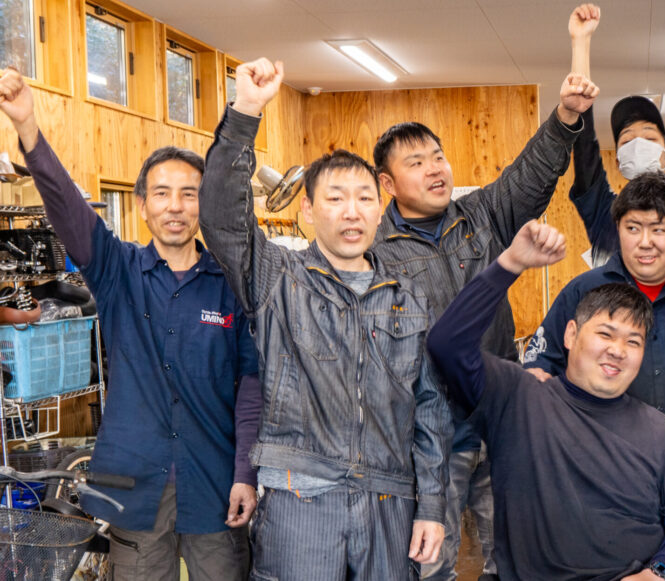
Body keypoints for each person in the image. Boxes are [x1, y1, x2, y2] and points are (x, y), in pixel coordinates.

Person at [197, 59, 452, 580]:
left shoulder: (408, 296)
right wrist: (245, 113)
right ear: (309, 212)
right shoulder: (277, 278)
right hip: (301, 497)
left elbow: (430, 408)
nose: (351, 211)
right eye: (335, 199)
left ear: (380, 209)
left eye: (363, 199)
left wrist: (432, 504)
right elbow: (222, 218)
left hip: (388, 499)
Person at [0, 69, 259, 581]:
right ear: (142, 205)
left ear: (204, 204)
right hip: (134, 489)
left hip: (215, 485)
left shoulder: (231, 284)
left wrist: (246, 472)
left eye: (189, 194)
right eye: (161, 193)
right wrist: (27, 127)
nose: (175, 206)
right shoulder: (116, 269)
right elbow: (68, 208)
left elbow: (251, 384)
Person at [370, 34, 599, 581]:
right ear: (387, 183)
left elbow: (531, 174)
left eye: (438, 156)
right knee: (431, 562)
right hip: (429, 433)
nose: (435, 169)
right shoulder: (374, 255)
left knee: (515, 550)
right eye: (416, 162)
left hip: (500, 415)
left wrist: (566, 116)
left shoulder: (482, 214)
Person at [429, 220, 665, 581]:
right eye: (605, 334)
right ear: (571, 334)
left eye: (633, 341)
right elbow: (447, 344)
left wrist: (658, 573)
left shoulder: (663, 434)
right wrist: (510, 264)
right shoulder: (517, 400)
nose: (617, 350)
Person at [523, 171, 665, 580]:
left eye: (659, 229)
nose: (645, 242)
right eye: (632, 228)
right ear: (617, 229)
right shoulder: (583, 293)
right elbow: (538, 370)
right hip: (608, 507)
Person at [566, 5, 665, 268]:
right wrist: (580, 42)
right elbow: (584, 144)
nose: (637, 145)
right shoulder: (604, 211)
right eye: (627, 141)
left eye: (649, 139)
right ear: (618, 161)